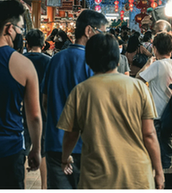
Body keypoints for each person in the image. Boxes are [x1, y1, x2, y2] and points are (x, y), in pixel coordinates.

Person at [57, 33, 164, 189]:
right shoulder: (139, 87)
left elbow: (71, 135)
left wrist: (65, 159)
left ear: (89, 59)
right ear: (117, 57)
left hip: (97, 178)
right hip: (137, 177)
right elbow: (149, 134)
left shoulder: (81, 91)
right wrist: (159, 172)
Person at [0, 0, 42, 189]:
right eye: (20, 29)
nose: (21, 34)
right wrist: (36, 149)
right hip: (8, 151)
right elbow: (34, 116)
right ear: (9, 28)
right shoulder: (24, 65)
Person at [42, 10, 108, 189]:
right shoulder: (94, 63)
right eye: (100, 33)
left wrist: (58, 122)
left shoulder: (55, 60)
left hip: (56, 144)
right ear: (88, 31)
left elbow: (46, 102)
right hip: (86, 146)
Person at [138, 32, 172, 169]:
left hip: (158, 116)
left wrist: (148, 64)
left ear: (155, 49)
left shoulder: (157, 65)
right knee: (167, 151)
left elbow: (138, 81)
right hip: (170, 115)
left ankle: (162, 184)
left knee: (158, 155)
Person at [24, 29, 51, 189]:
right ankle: (44, 187)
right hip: (43, 112)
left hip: (22, 112)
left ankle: (21, 185)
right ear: (43, 43)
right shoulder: (49, 61)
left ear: (27, 42)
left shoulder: (20, 59)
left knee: (23, 152)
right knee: (43, 152)